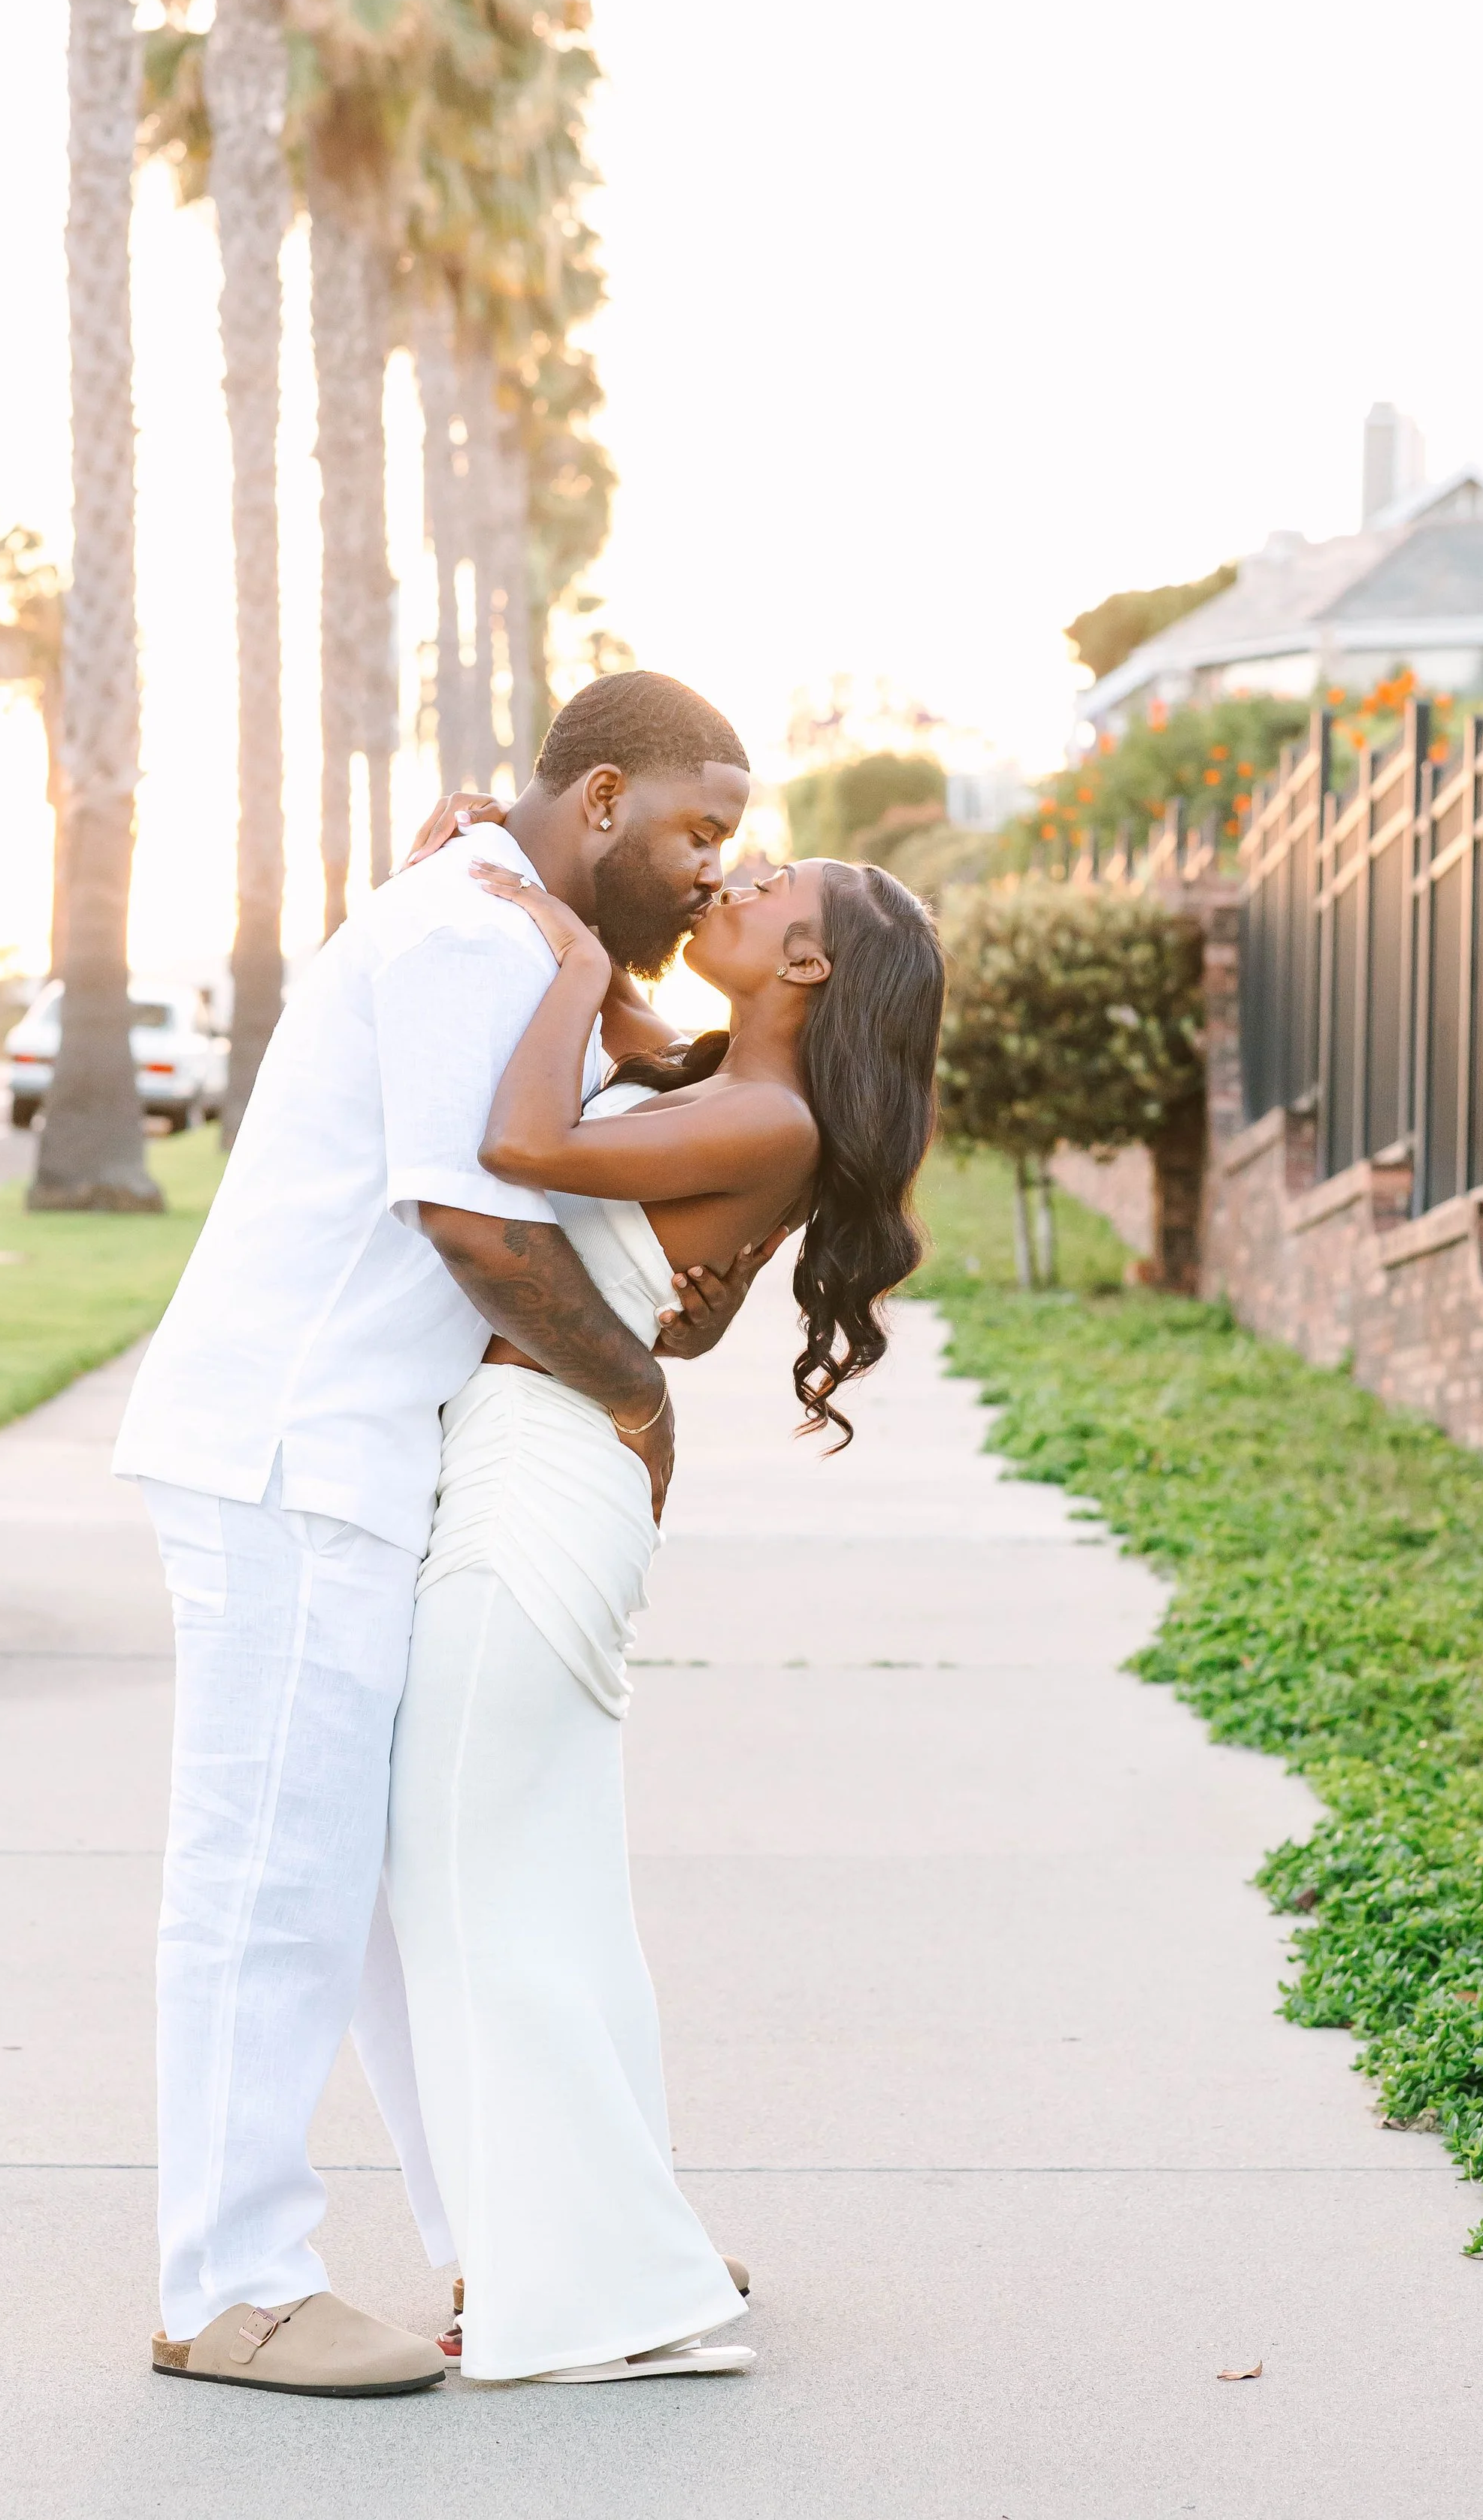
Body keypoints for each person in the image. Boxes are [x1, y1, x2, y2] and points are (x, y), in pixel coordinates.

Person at [113, 671, 767, 2400]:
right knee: (277, 1879)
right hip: (289, 1450)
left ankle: (520, 2237)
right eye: (702, 828)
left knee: (392, 1883)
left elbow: (640, 1090)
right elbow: (473, 1222)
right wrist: (636, 1397)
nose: (717, 871)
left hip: (354, 1457)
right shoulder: (475, 936)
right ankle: (227, 2281)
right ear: (607, 797)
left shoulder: (513, 925)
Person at [385, 843, 946, 2384]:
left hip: (538, 1484)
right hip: (539, 1467)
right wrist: (523, 884)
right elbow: (625, 1099)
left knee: (466, 1886)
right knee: (528, 1892)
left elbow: (519, 1143)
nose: (740, 873)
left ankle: (591, 2292)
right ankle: (609, 2254)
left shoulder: (763, 1112)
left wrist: (563, 959)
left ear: (809, 965)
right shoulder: (722, 1081)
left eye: (777, 883)